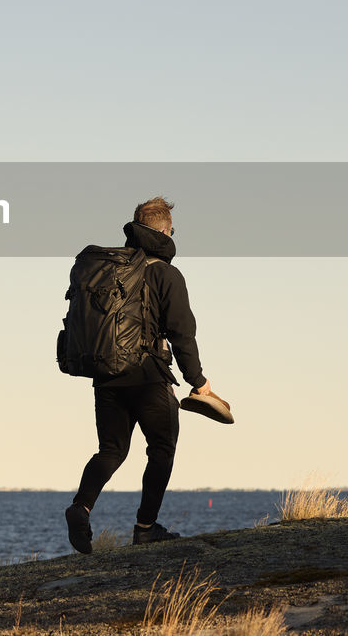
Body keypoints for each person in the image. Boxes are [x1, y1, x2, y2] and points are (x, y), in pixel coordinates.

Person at [65, 196, 218, 553]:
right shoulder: (166, 274)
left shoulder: (111, 270)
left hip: (106, 374)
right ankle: (146, 528)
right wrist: (198, 381)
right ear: (166, 232)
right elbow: (182, 332)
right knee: (162, 448)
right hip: (148, 376)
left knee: (112, 449)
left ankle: (80, 507)